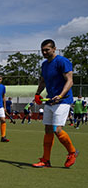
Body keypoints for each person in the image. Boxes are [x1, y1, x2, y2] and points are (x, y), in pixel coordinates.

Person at [32, 39, 78, 168]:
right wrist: (37, 94)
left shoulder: (62, 61)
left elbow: (70, 81)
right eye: (43, 50)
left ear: (54, 49)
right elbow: (43, 81)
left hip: (63, 101)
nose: (45, 52)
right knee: (48, 130)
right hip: (50, 101)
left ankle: (72, 152)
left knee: (57, 130)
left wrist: (61, 95)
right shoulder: (45, 64)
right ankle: (46, 160)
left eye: (47, 50)